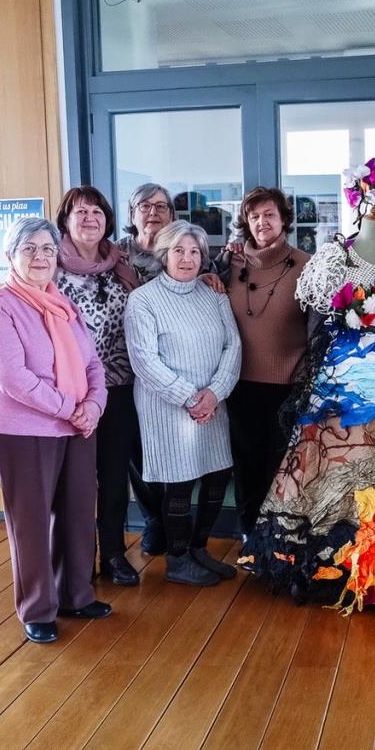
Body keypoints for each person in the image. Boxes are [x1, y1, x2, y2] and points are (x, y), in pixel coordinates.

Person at [238, 159, 375, 611]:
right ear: (356, 199)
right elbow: (313, 302)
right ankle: (316, 563)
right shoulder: (332, 254)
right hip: (340, 377)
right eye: (367, 192)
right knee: (324, 463)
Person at [0, 218, 110, 644]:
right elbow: (13, 378)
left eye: (48, 249)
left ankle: (76, 594)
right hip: (22, 431)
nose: (40, 257)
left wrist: (93, 405)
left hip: (75, 427)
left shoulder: (63, 305)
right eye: (29, 249)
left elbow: (93, 365)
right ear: (11, 257)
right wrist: (72, 409)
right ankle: (37, 608)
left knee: (76, 514)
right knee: (31, 524)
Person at [124, 221, 242, 587]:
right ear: (164, 255)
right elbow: (145, 360)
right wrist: (191, 398)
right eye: (179, 251)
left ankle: (199, 549)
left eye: (194, 252)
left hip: (213, 404)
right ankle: (177, 560)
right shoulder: (143, 300)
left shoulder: (215, 296)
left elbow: (233, 346)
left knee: (217, 475)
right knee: (179, 482)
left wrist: (215, 393)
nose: (187, 258)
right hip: (168, 408)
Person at [53, 186, 145, 587]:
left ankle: (112, 554)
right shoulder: (49, 267)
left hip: (119, 388)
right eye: (80, 212)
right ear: (66, 221)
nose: (89, 218)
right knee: (74, 480)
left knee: (112, 477)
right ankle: (76, 563)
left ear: (107, 220)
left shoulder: (121, 265)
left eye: (97, 211)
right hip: (71, 393)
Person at [225, 187, 311, 533]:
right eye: (255, 216)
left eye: (269, 215)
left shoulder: (306, 265)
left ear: (283, 220)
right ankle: (249, 537)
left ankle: (280, 539)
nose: (262, 222)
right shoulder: (230, 263)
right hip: (240, 384)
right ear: (246, 222)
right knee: (247, 466)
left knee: (283, 466)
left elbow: (318, 328)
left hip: (288, 385)